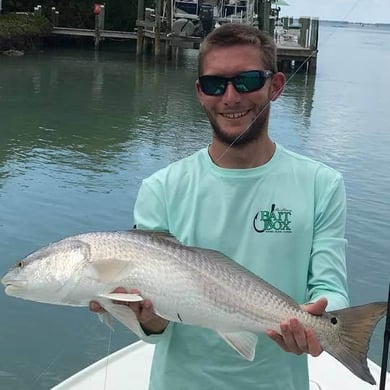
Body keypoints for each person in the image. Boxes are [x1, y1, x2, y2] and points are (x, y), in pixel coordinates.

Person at [90, 23, 349, 389]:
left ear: (275, 86)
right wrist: (143, 316)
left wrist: (322, 321)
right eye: (215, 84)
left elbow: (330, 286)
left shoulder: (322, 184)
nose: (230, 97)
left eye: (247, 81)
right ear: (200, 92)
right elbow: (157, 326)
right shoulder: (161, 188)